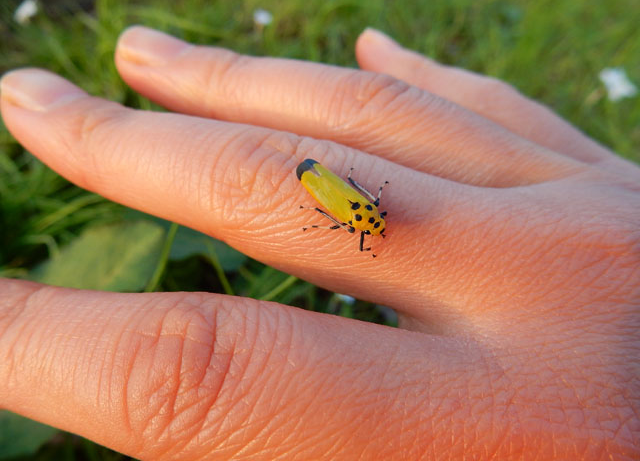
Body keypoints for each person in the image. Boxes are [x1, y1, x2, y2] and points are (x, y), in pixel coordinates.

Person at [0, 26, 638, 459]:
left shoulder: (369, 219)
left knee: (203, 372)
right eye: (375, 226)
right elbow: (359, 204)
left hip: (335, 192)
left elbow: (365, 206)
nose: (377, 228)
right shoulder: (367, 218)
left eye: (374, 228)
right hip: (329, 188)